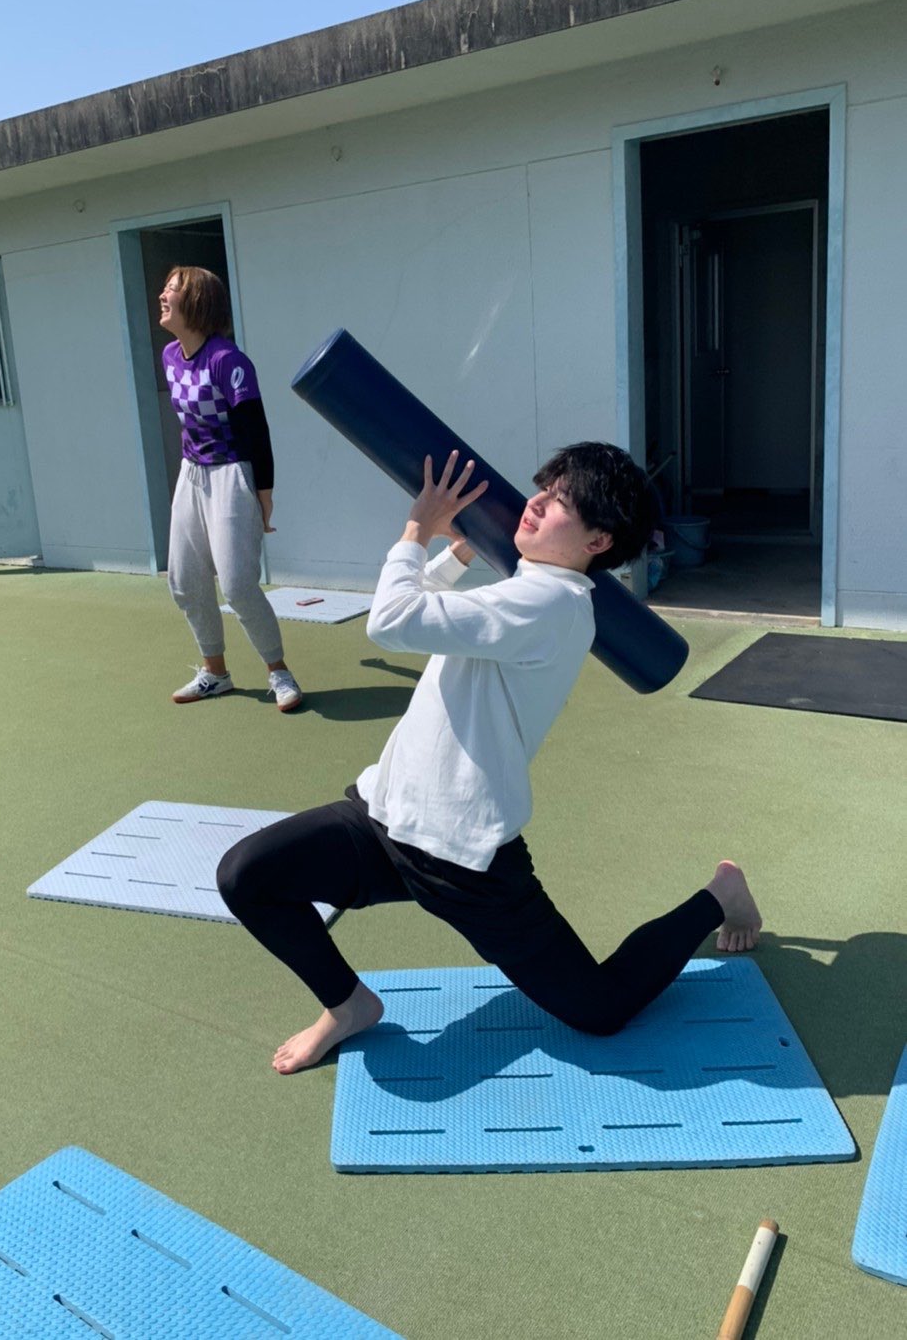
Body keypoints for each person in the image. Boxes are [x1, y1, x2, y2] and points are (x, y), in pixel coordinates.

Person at [217, 441, 761, 1073]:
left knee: (602, 1008)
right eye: (544, 488)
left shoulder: (552, 604)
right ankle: (348, 1005)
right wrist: (461, 551)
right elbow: (440, 611)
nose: (537, 503)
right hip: (386, 817)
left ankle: (719, 896)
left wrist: (418, 528)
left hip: (463, 860)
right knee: (247, 875)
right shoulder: (530, 588)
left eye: (562, 501)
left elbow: (392, 620)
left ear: (598, 540)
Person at [159, 266, 301, 711]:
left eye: (172, 290)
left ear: (196, 302)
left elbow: (256, 430)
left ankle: (279, 672)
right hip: (191, 473)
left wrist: (263, 494)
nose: (162, 296)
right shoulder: (169, 356)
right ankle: (215, 673)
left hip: (232, 473)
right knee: (184, 580)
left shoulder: (228, 361)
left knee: (238, 584)